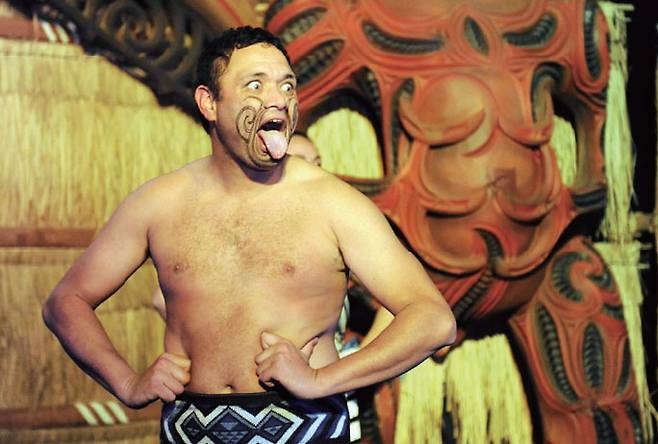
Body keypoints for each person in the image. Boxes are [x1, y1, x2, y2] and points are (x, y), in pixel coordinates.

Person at [43, 26, 456, 443]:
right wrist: (128, 384)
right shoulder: (158, 204)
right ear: (209, 102)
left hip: (306, 429)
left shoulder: (333, 204)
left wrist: (321, 380)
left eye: (287, 86)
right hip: (189, 430)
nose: (278, 99)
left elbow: (433, 320)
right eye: (255, 85)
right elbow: (66, 302)